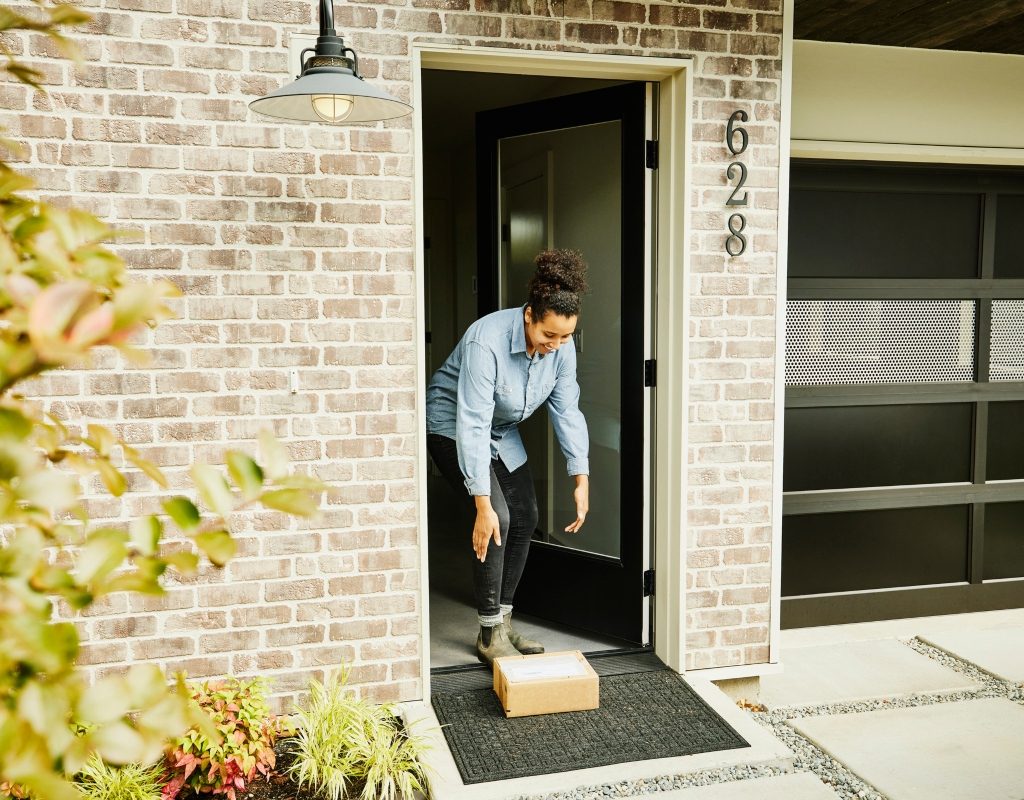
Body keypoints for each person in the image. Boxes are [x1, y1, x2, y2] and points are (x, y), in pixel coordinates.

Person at [426, 249, 591, 665]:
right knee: (497, 516)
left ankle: (504, 622)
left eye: (566, 336)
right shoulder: (488, 341)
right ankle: (487, 633)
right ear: (529, 316)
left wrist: (580, 475)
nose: (556, 345)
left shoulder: (560, 349)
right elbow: (473, 423)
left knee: (527, 516)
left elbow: (567, 409)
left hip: (501, 430)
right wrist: (481, 503)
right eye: (548, 335)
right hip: (452, 424)